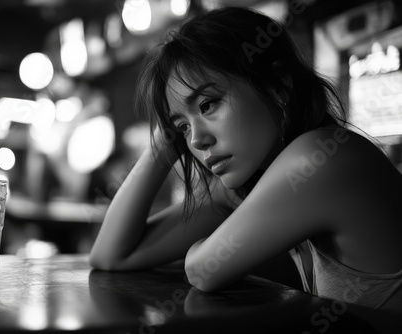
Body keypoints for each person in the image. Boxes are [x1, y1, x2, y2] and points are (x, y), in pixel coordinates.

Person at [89, 6, 402, 332]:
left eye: (208, 105)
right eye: (182, 127)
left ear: (277, 86)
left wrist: (214, 236)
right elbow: (110, 256)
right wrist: (163, 142)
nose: (197, 140)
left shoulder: (321, 158)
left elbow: (203, 270)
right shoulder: (255, 183)